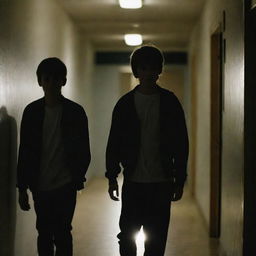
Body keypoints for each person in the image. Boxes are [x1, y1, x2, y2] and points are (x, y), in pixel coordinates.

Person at [106, 45, 189, 256]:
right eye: (144, 68)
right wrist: (112, 177)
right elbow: (114, 142)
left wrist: (180, 179)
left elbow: (181, 143)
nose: (149, 72)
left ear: (159, 69)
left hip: (161, 182)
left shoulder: (170, 103)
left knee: (157, 240)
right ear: (136, 71)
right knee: (126, 236)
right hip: (134, 181)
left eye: (153, 67)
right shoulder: (125, 104)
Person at [17, 57, 91, 256]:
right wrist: (22, 187)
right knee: (44, 233)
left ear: (63, 81)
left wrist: (77, 177)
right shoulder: (32, 112)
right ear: (40, 81)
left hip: (65, 184)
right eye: (47, 79)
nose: (51, 84)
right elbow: (24, 151)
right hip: (40, 185)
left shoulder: (75, 112)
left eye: (56, 79)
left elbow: (84, 150)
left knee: (63, 233)